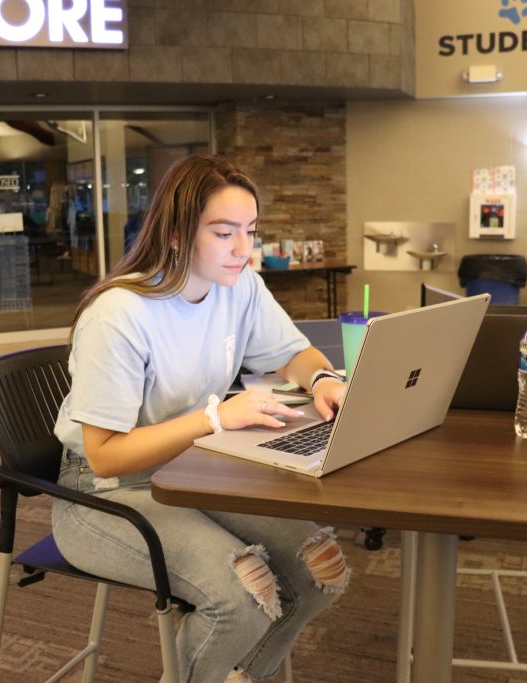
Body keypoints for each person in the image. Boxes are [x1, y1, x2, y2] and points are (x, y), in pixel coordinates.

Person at [51, 153, 350, 683]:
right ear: (176, 234)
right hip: (101, 493)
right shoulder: (119, 315)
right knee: (243, 591)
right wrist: (215, 419)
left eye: (250, 231)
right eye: (224, 232)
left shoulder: (239, 285)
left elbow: (293, 352)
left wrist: (324, 380)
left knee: (318, 566)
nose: (243, 249)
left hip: (191, 473)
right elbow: (105, 454)